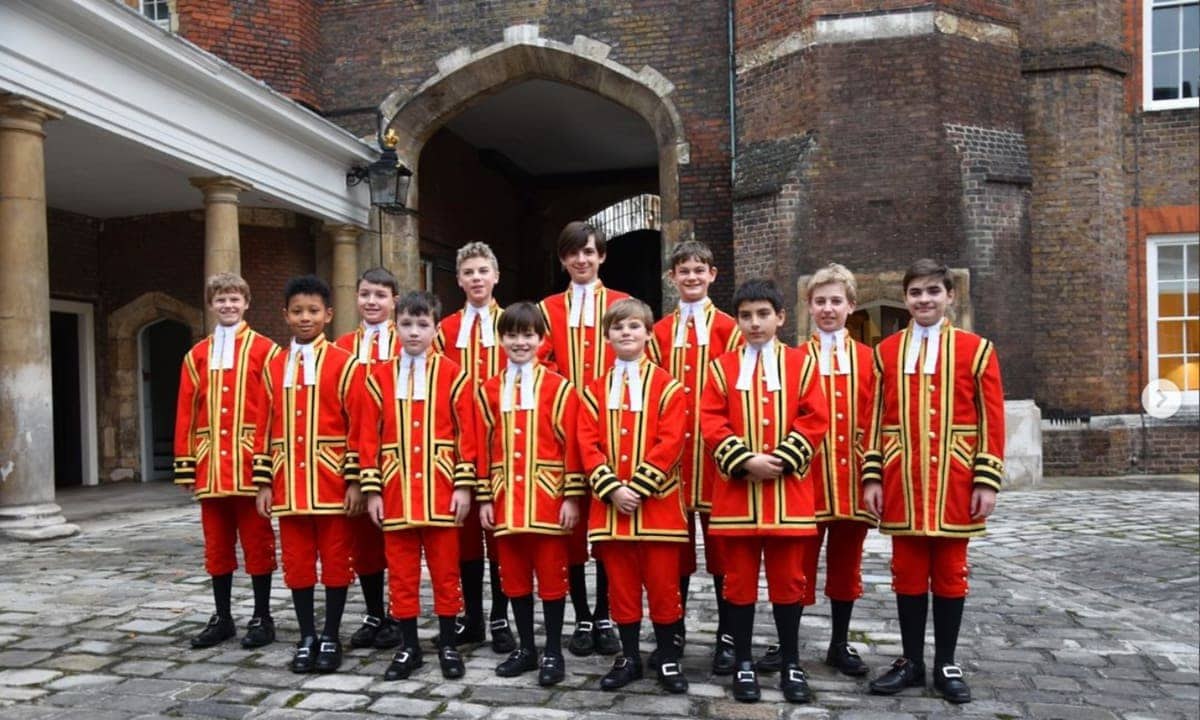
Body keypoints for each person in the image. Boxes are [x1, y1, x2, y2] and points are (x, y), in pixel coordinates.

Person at [862, 259, 1005, 705]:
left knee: (950, 573)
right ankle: (910, 661)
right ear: (906, 299)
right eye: (916, 292)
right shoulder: (885, 352)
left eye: (932, 292)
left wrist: (987, 479)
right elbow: (873, 419)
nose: (924, 299)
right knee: (905, 573)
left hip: (956, 478)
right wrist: (872, 477)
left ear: (949, 296)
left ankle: (945, 662)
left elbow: (991, 419)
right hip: (903, 477)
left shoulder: (976, 350)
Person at [700, 278, 829, 704]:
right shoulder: (720, 368)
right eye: (745, 316)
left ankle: (791, 662)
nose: (754, 323)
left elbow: (815, 418)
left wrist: (781, 459)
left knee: (789, 583)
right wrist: (744, 461)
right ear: (737, 320)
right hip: (737, 498)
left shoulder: (802, 365)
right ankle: (742, 663)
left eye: (762, 314)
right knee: (737, 584)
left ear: (780, 317)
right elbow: (711, 422)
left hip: (788, 495)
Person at [757, 263, 878, 676]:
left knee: (847, 566)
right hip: (801, 482)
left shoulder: (869, 360)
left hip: (851, 480)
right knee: (793, 568)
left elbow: (877, 418)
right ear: (808, 306)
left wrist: (874, 473)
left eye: (836, 301)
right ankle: (785, 642)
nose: (828, 309)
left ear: (851, 306)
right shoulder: (790, 357)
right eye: (820, 301)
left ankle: (840, 643)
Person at [359, 291, 478, 681]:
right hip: (395, 492)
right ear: (396, 327)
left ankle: (447, 643)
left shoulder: (454, 375)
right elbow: (368, 439)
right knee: (402, 572)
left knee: (446, 572)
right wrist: (372, 490)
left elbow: (467, 436)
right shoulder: (378, 378)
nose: (414, 332)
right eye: (407, 324)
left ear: (435, 328)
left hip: (442, 491)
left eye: (422, 324)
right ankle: (408, 645)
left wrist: (463, 486)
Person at [252, 275, 365, 674]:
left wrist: (354, 480)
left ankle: (331, 635)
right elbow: (263, 426)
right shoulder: (273, 366)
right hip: (289, 486)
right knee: (297, 563)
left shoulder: (345, 364)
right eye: (297, 311)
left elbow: (359, 427)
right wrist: (264, 481)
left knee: (335, 562)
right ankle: (306, 636)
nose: (305, 318)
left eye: (313, 311)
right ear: (285, 315)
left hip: (332, 483)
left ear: (329, 315)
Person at [578, 298, 689, 694]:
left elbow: (671, 442)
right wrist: (611, 488)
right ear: (607, 336)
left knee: (663, 588)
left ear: (647, 333)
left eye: (634, 327)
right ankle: (627, 657)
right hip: (612, 511)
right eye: (618, 327)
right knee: (621, 588)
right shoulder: (593, 391)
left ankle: (668, 657)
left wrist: (638, 487)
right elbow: (587, 444)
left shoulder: (669, 387)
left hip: (657, 507)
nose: (626, 333)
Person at [475, 301, 584, 686]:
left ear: (541, 339)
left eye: (528, 335)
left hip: (548, 499)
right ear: (500, 339)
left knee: (552, 578)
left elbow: (572, 444)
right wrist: (485, 496)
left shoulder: (559, 387)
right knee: (514, 578)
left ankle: (553, 649)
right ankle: (526, 648)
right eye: (511, 335)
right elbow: (482, 447)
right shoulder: (488, 389)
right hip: (506, 499)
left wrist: (572, 496)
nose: (520, 342)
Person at [647, 240, 743, 675]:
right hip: (673, 462)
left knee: (724, 552)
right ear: (672, 277)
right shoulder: (660, 332)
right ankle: (675, 630)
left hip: (717, 460)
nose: (691, 276)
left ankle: (728, 636)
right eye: (683, 270)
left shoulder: (730, 328)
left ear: (712, 275)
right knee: (675, 552)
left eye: (698, 270)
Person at [537, 220, 628, 656]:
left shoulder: (623, 304)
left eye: (589, 252)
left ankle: (607, 614)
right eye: (573, 253)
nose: (581, 260)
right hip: (562, 434)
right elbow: (540, 362)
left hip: (613, 433)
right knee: (569, 529)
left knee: (608, 528)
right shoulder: (547, 308)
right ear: (563, 259)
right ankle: (582, 617)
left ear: (602, 256)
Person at [174, 273, 279, 650]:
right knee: (216, 546)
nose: (228, 305)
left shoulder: (266, 351)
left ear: (246, 303)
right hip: (211, 467)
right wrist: (186, 463)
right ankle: (222, 617)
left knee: (258, 544)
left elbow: (274, 411)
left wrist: (270, 465)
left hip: (251, 466)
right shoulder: (196, 355)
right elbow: (187, 411)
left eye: (234, 299)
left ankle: (263, 616)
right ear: (211, 304)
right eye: (221, 300)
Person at [433, 242, 514, 654]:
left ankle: (501, 616)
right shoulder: (445, 330)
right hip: (456, 446)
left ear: (496, 276)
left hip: (502, 443)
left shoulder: (514, 325)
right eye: (469, 272)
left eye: (483, 270)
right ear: (459, 279)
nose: (477, 279)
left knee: (498, 534)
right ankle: (473, 617)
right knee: (463, 538)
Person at [334, 267, 403, 652]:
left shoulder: (409, 342)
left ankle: (399, 612)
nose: (371, 302)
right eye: (365, 294)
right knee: (363, 543)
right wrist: (353, 473)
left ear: (394, 300)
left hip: (398, 460)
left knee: (397, 541)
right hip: (354, 459)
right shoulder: (341, 346)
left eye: (380, 294)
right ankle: (374, 612)